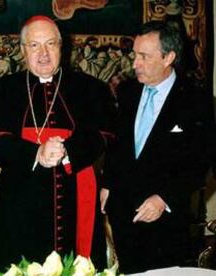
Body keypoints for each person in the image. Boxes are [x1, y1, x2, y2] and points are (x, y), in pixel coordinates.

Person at [0, 15, 115, 272]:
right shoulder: (4, 89)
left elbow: (104, 135)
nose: (43, 53)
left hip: (76, 190)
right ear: (22, 50)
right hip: (20, 194)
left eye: (51, 44)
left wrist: (67, 152)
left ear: (62, 47)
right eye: (35, 45)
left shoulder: (90, 88)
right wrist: (36, 153)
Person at [100, 20, 213, 274]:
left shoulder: (195, 100)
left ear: (168, 57)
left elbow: (200, 161)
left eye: (143, 56)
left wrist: (165, 199)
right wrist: (108, 183)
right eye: (134, 55)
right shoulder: (127, 91)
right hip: (124, 215)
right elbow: (117, 145)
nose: (134, 63)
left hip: (166, 221)